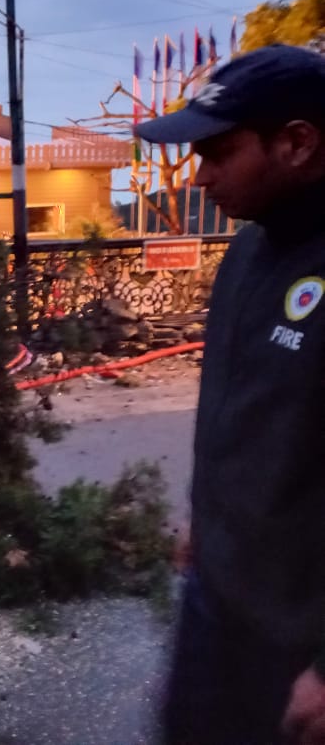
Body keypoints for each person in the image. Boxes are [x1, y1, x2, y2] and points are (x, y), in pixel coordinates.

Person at [133, 44, 325, 745]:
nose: (201, 177)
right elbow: (236, 412)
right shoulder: (245, 256)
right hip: (216, 601)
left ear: (296, 143)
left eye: (219, 153)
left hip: (298, 640)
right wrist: (205, 516)